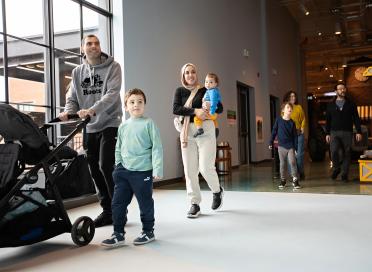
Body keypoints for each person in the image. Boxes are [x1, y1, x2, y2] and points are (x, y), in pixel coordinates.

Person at [58, 34, 122, 227]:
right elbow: (72, 98)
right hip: (89, 126)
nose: (93, 46)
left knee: (106, 165)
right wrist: (68, 112)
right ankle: (107, 210)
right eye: (89, 44)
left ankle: (119, 209)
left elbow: (112, 94)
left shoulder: (113, 66)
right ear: (82, 49)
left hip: (110, 122)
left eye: (96, 43)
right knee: (93, 168)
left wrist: (93, 110)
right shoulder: (77, 72)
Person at [101, 88, 163, 247]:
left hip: (143, 171)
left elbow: (157, 147)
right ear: (126, 107)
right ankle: (118, 234)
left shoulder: (149, 123)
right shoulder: (123, 126)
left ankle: (148, 232)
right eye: (132, 102)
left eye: (140, 102)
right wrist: (117, 166)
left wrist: (157, 169)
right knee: (117, 203)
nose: (136, 105)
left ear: (145, 105)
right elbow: (118, 147)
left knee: (145, 202)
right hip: (123, 172)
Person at [173, 63, 224, 218]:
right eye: (187, 72)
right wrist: (196, 111)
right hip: (187, 132)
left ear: (197, 74)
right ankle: (194, 204)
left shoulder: (205, 89)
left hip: (206, 130)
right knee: (189, 170)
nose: (190, 75)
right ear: (183, 75)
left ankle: (217, 190)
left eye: (193, 72)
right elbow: (176, 109)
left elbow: (220, 108)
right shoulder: (179, 91)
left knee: (205, 167)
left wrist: (208, 111)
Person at [325, 83, 362, 181]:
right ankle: (336, 168)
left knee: (347, 153)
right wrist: (327, 133)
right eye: (340, 89)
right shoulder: (330, 105)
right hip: (334, 132)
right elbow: (327, 120)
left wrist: (359, 131)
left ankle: (344, 174)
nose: (343, 90)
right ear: (336, 91)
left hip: (347, 132)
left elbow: (356, 118)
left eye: (344, 88)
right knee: (334, 151)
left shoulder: (351, 104)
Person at [269, 102, 301, 190]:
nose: (290, 109)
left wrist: (296, 148)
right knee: (282, 164)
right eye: (287, 107)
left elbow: (295, 136)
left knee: (292, 162)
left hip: (290, 146)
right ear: (283, 110)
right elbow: (274, 131)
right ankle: (283, 180)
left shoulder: (292, 123)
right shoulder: (278, 120)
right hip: (281, 146)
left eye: (291, 108)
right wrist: (270, 142)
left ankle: (295, 180)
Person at [283, 91, 306, 180]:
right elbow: (283, 121)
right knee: (290, 156)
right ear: (288, 98)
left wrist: (303, 127)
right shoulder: (285, 108)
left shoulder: (299, 107)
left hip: (298, 133)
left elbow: (303, 118)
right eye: (291, 96)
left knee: (299, 155)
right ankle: (293, 175)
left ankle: (301, 172)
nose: (293, 98)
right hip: (289, 134)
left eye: (294, 96)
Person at [193, 73, 221, 138]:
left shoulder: (212, 91)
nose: (208, 84)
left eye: (211, 82)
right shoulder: (210, 91)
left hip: (210, 112)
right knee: (213, 120)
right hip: (212, 113)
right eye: (206, 82)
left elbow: (214, 102)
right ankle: (216, 130)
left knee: (196, 118)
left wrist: (212, 111)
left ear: (216, 84)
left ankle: (199, 129)